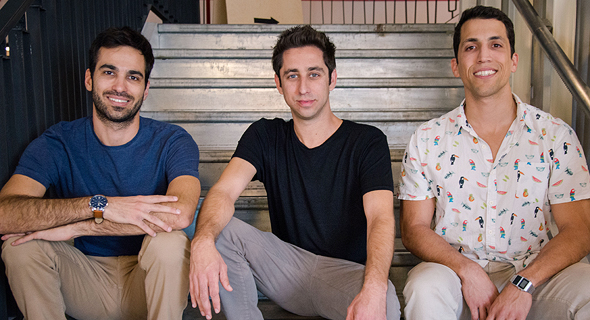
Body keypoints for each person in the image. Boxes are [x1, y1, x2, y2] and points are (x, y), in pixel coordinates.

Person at [189, 25, 400, 320]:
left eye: (314, 74)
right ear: (278, 82)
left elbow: (380, 217)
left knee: (387, 303)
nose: (303, 88)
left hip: (344, 275)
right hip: (285, 270)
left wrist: (375, 287)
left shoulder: (367, 141)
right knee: (212, 227)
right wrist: (202, 241)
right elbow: (223, 192)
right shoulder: (265, 135)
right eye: (292, 75)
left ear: (332, 78)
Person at [398, 5, 590, 320]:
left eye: (496, 44)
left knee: (587, 286)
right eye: (471, 47)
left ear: (513, 61)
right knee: (424, 286)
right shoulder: (428, 138)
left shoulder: (555, 135)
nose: (484, 56)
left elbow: (579, 230)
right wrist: (467, 270)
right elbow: (414, 228)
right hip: (457, 279)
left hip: (534, 277)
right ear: (456, 66)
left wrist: (523, 284)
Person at [0, 26, 201, 320]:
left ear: (145, 89)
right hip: (83, 278)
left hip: (149, 282)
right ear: (89, 79)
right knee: (21, 248)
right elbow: (5, 213)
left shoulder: (172, 141)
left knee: (170, 244)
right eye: (109, 72)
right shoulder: (59, 142)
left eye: (133, 77)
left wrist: (79, 227)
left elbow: (180, 215)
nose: (120, 86)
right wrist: (100, 205)